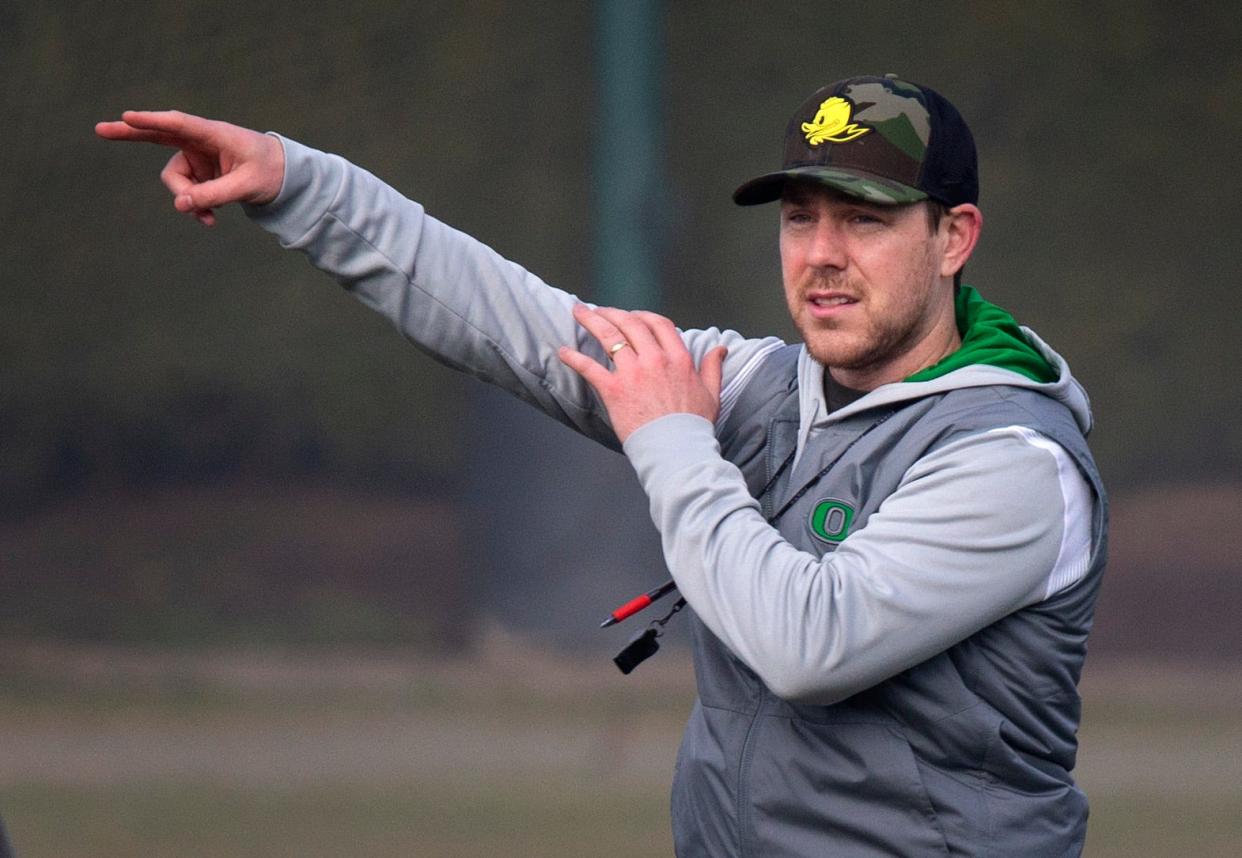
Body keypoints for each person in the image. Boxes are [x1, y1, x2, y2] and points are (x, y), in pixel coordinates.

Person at [97, 73, 1107, 856]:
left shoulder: (1010, 459)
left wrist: (673, 438)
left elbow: (809, 646)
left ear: (953, 237)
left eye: (868, 218)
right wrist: (300, 182)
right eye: (801, 216)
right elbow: (519, 325)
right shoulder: (767, 385)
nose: (822, 252)